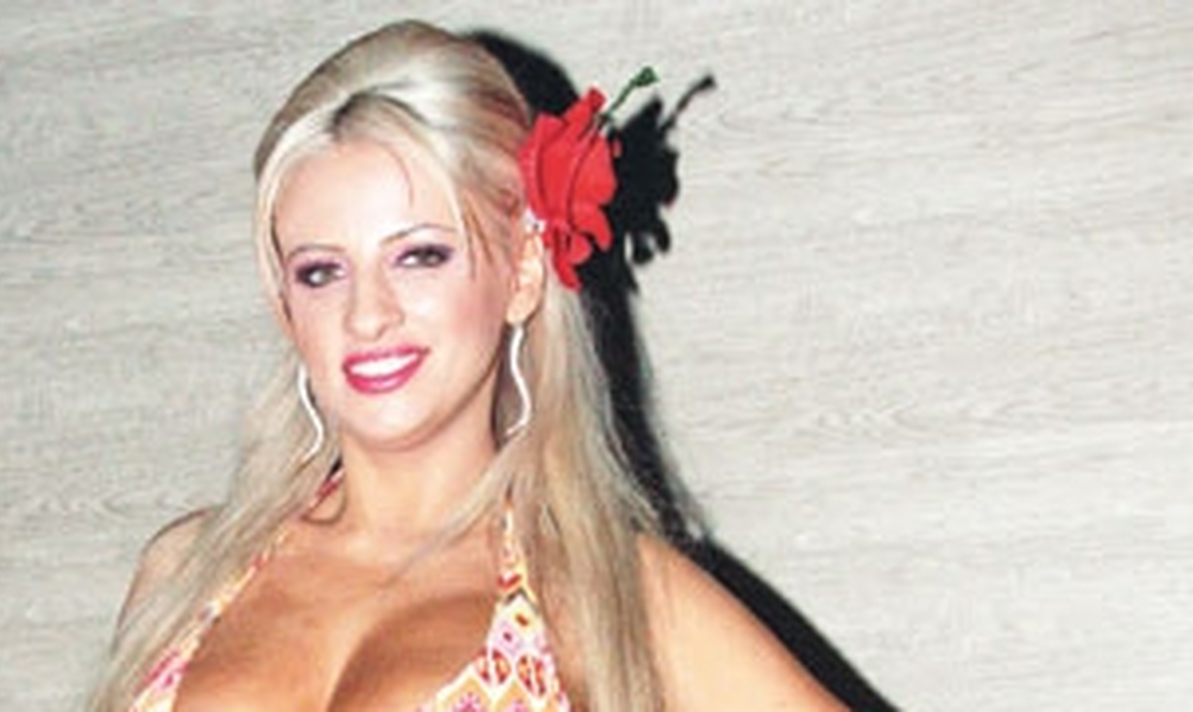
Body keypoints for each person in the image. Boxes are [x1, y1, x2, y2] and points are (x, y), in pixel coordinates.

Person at [90, 20, 845, 712]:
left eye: (420, 256)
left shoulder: (612, 595)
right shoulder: (185, 573)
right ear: (285, 302)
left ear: (522, 273)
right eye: (322, 271)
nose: (367, 314)